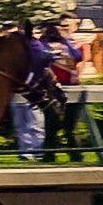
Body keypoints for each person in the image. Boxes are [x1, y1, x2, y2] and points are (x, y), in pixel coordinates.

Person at [39, 18, 85, 162]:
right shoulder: (60, 44)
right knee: (66, 124)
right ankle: (71, 153)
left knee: (53, 123)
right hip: (59, 87)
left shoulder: (42, 45)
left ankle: (51, 154)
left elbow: (78, 56)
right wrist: (64, 42)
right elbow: (77, 56)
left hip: (58, 87)